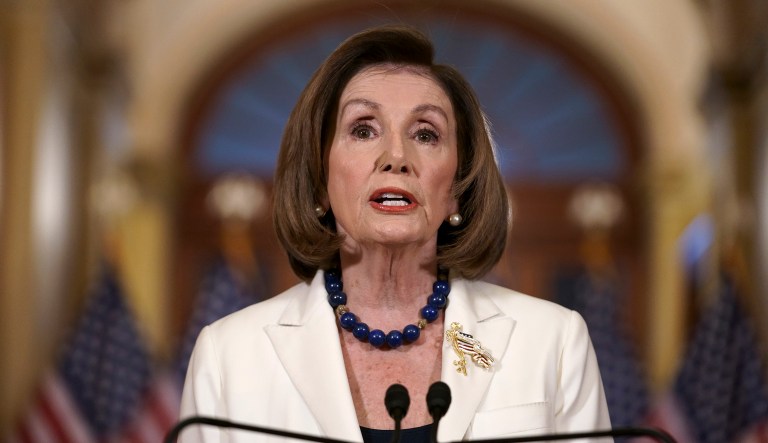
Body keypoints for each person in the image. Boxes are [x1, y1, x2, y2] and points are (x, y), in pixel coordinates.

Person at [180, 25, 611, 442]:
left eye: (426, 134)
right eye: (363, 129)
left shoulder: (551, 342)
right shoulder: (230, 356)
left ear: (458, 190)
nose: (396, 157)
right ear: (319, 181)